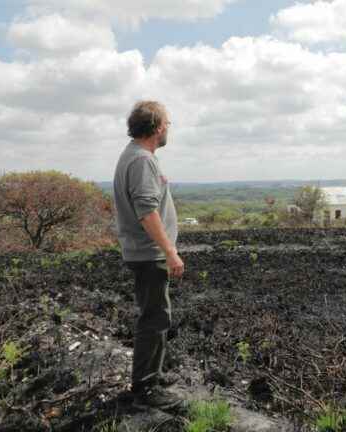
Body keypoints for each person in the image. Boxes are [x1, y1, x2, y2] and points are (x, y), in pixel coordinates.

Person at [113, 101, 185, 410]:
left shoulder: (135, 155)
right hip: (149, 253)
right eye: (168, 123)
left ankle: (149, 378)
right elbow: (146, 210)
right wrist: (170, 251)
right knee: (155, 319)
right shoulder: (142, 160)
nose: (169, 128)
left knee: (153, 316)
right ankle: (146, 390)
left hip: (143, 252)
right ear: (156, 127)